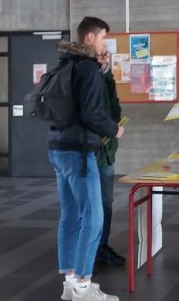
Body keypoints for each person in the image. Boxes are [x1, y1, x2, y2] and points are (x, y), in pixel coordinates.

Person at [50, 16, 124, 301]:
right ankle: (83, 285)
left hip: (57, 147)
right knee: (93, 217)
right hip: (79, 152)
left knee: (69, 215)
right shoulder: (88, 69)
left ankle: (70, 283)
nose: (105, 44)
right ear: (90, 38)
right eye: (103, 38)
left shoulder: (65, 63)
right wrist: (114, 130)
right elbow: (93, 113)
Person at [94, 50, 125, 267]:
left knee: (106, 202)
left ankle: (101, 245)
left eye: (106, 56)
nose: (105, 58)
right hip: (92, 149)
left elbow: (113, 106)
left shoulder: (105, 77)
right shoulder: (86, 77)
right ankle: (93, 247)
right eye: (101, 55)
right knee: (91, 204)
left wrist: (115, 128)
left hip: (107, 149)